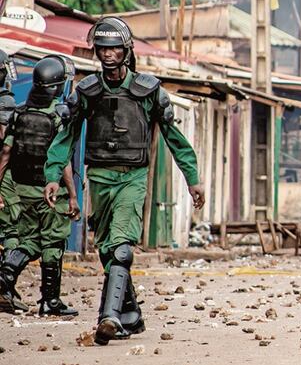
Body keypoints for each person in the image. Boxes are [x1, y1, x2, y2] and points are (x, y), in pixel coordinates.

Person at [43, 17, 204, 345]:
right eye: (102, 47)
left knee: (122, 249)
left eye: (115, 47)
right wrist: (53, 176)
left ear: (126, 50)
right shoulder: (86, 91)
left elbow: (174, 137)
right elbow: (66, 136)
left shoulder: (148, 90)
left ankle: (109, 316)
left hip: (133, 176)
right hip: (99, 177)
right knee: (107, 251)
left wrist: (193, 179)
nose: (108, 53)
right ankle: (131, 315)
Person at [0, 55, 79, 315]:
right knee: (53, 243)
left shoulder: (19, 112)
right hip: (50, 190)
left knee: (29, 240)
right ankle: (50, 301)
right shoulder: (59, 116)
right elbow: (63, 159)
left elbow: (6, 153)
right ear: (57, 86)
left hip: (22, 190)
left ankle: (6, 276)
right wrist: (73, 195)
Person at [0, 51, 23, 309]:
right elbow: (6, 146)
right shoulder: (5, 102)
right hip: (4, 175)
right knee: (12, 230)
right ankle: (4, 288)